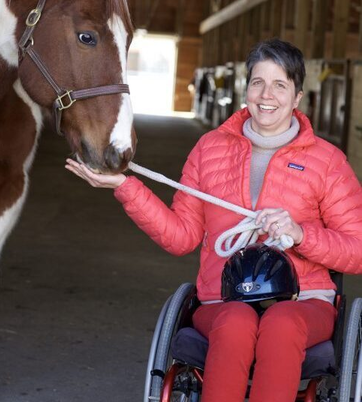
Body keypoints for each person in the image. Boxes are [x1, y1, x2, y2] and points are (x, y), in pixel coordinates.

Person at [66, 39, 362, 402]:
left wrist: (301, 234)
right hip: (222, 298)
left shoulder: (328, 161)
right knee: (236, 322)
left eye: (280, 85)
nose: (266, 95)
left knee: (282, 323)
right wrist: (124, 186)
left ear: (297, 96)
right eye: (257, 82)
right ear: (246, 89)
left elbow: (357, 250)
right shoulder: (209, 148)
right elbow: (181, 236)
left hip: (305, 300)